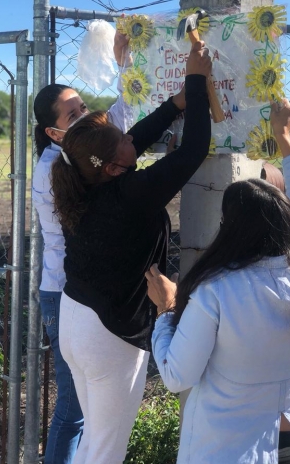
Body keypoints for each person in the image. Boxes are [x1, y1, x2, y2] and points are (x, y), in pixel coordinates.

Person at [50, 41, 212, 464]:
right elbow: (193, 151)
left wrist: (176, 103)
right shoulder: (129, 194)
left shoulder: (86, 178)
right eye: (121, 137)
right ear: (109, 163)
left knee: (94, 443)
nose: (130, 138)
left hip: (77, 320)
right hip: (109, 333)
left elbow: (132, 141)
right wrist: (195, 80)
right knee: (105, 451)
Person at [146, 99, 290, 464]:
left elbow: (176, 375)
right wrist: (283, 137)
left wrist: (167, 310)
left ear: (229, 229)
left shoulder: (217, 290)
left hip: (227, 451)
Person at [32, 32, 132, 464]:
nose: (86, 116)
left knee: (80, 412)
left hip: (71, 291)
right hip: (63, 292)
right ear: (54, 132)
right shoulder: (59, 166)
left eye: (83, 108)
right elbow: (120, 136)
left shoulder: (69, 157)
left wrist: (124, 65)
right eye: (73, 116)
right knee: (72, 412)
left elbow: (120, 123)